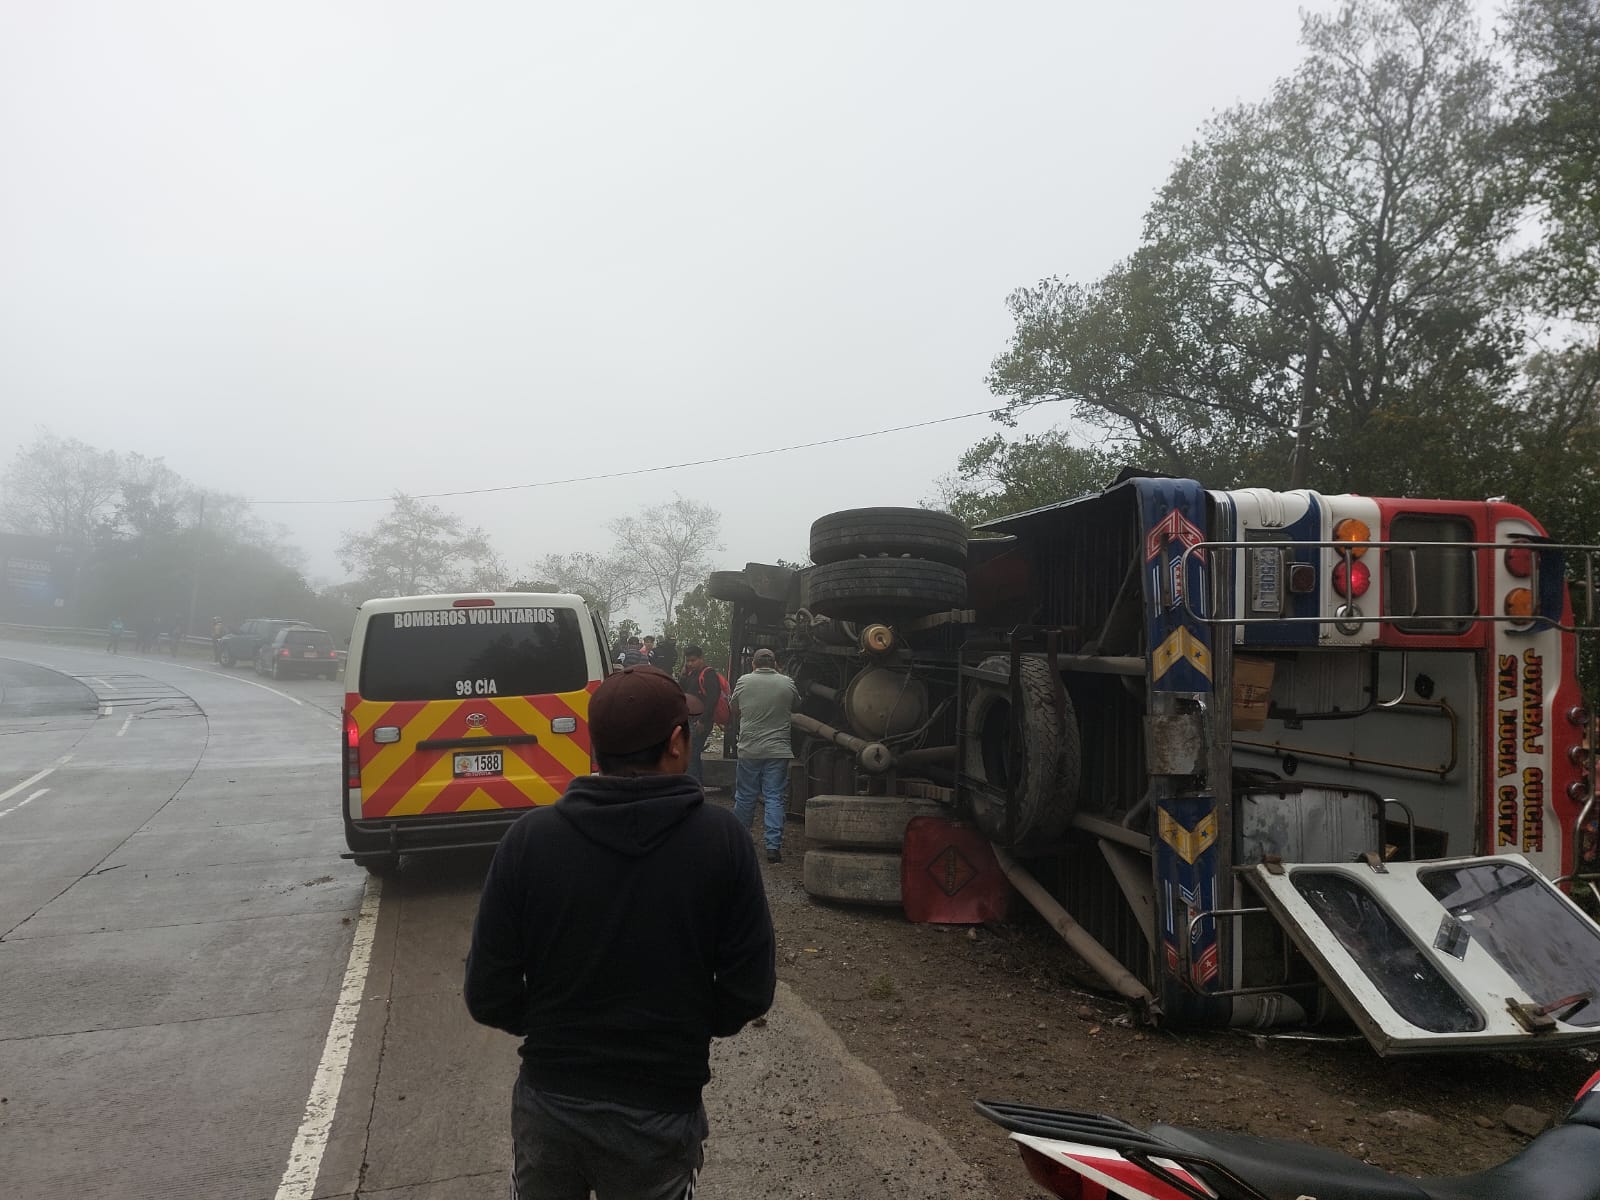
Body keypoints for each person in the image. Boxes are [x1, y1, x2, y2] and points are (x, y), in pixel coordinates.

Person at [464, 665, 776, 1200]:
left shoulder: (529, 840)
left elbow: (487, 995)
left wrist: (553, 1028)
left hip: (550, 1101)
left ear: (595, 745)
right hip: (661, 1108)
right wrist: (682, 1031)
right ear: (677, 742)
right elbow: (750, 989)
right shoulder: (721, 840)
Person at [729, 648, 802, 863]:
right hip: (778, 750)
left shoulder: (743, 681)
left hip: (749, 749)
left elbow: (734, 709)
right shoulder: (787, 682)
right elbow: (796, 704)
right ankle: (773, 848)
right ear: (775, 663)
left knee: (745, 795)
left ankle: (741, 841)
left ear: (753, 664)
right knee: (774, 797)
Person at [679, 645, 721, 785]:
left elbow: (713, 698)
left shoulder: (708, 674)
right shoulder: (690, 674)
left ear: (701, 658)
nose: (690, 663)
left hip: (700, 720)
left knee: (690, 755)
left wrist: (703, 720)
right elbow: (682, 691)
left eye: (693, 660)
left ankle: (692, 786)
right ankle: (697, 785)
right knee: (693, 755)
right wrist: (683, 675)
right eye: (688, 661)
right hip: (690, 719)